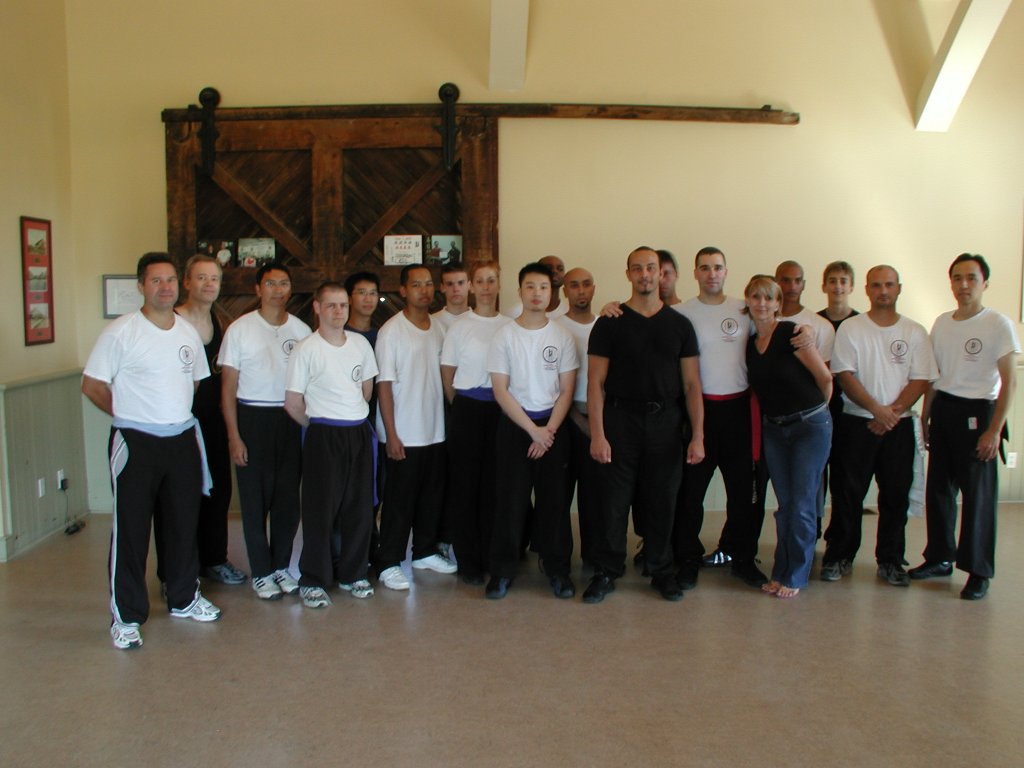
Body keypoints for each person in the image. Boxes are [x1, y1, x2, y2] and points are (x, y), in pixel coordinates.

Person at [82, 252, 221, 650]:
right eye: (156, 280)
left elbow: (195, 382)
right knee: (132, 530)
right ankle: (126, 616)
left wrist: (169, 415)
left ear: (179, 285)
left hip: (181, 440)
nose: (165, 287)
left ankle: (183, 597)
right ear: (141, 286)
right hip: (135, 441)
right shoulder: (121, 332)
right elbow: (92, 385)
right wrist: (130, 413)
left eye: (170, 280)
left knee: (182, 524)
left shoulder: (187, 333)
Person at [582, 246, 704, 603]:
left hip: (666, 422)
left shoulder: (680, 325)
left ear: (661, 273)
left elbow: (692, 385)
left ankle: (661, 569)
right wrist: (598, 434)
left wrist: (698, 436)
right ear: (628, 274)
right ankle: (607, 570)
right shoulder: (610, 323)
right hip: (620, 420)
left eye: (651, 268)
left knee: (662, 499)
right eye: (638, 268)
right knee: (614, 500)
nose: (645, 274)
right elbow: (595, 383)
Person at [910, 254, 1020, 600]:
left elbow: (1010, 381)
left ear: (984, 283)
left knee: (978, 496)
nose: (964, 285)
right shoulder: (943, 323)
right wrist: (925, 417)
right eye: (957, 278)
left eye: (971, 278)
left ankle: (978, 571)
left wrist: (994, 430)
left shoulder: (998, 324)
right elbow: (934, 375)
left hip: (979, 413)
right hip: (945, 410)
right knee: (939, 491)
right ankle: (940, 557)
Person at [823, 265, 937, 586]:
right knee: (848, 494)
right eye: (876, 285)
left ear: (899, 288)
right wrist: (876, 410)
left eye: (888, 285)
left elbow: (921, 379)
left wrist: (890, 414)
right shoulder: (851, 328)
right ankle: (840, 556)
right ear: (867, 290)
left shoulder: (914, 331)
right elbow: (845, 375)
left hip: (898, 427)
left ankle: (890, 560)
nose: (883, 291)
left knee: (895, 496)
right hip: (857, 425)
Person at [674, 247, 768, 589]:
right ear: (695, 273)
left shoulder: (744, 309)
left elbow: (770, 334)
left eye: (717, 267)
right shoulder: (682, 313)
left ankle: (741, 557)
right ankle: (687, 558)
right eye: (705, 267)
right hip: (700, 411)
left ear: (726, 271)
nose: (711, 273)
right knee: (690, 494)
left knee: (744, 494)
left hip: (739, 412)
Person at [485, 262, 578, 599]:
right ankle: (502, 571)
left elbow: (566, 390)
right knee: (510, 503)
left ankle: (558, 570)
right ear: (520, 291)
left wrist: (548, 431)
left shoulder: (562, 336)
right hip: (516, 427)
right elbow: (500, 391)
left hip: (553, 427)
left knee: (555, 503)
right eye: (530, 287)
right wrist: (533, 431)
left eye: (543, 287)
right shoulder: (505, 335)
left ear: (551, 293)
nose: (537, 293)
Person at [219, 262, 311, 600]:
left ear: (290, 289)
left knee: (287, 500)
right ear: (258, 289)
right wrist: (234, 436)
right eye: (270, 283)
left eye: (283, 283)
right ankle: (261, 571)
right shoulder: (240, 329)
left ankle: (281, 566)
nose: (277, 290)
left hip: (291, 418)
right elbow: (227, 388)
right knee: (254, 501)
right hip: (252, 418)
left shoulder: (301, 330)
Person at [284, 282, 379, 608]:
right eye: (331, 305)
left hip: (358, 433)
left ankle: (354, 573)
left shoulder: (361, 345)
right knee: (320, 510)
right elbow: (293, 402)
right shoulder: (306, 349)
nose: (339, 311)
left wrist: (349, 419)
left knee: (359, 509)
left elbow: (366, 391)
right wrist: (320, 426)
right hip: (323, 434)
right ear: (317, 308)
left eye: (343, 305)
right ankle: (313, 579)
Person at [744, 276, 833, 598]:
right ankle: (780, 571)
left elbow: (825, 378)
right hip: (775, 430)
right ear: (748, 300)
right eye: (756, 297)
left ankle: (795, 575)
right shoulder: (750, 344)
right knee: (785, 505)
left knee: (802, 504)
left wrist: (816, 414)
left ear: (778, 304)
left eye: (769, 298)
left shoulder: (792, 333)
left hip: (809, 427)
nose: (762, 303)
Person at [375, 264, 456, 590]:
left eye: (428, 284)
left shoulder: (439, 328)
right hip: (403, 433)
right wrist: (392, 434)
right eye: (416, 285)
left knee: (431, 497)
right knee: (399, 502)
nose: (424, 290)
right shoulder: (391, 331)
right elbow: (384, 385)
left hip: (435, 429)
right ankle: (388, 562)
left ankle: (424, 552)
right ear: (403, 290)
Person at [174, 254, 246, 586]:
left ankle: (215, 559)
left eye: (214, 278)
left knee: (218, 492)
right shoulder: (172, 322)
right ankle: (179, 570)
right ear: (186, 282)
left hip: (214, 422)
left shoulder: (220, 324)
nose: (208, 284)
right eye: (201, 277)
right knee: (181, 497)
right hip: (178, 423)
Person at [439, 260, 509, 584]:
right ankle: (468, 561)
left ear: (499, 285)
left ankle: (494, 557)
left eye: (491, 280)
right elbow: (448, 373)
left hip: (501, 410)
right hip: (467, 408)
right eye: (479, 280)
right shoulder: (460, 326)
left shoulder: (509, 325)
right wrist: (460, 407)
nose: (485, 286)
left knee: (496, 487)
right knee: (465, 486)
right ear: (471, 286)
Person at [556, 267, 600, 569]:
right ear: (565, 291)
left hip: (597, 419)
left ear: (593, 288)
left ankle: (594, 558)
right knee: (558, 494)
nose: (581, 290)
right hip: (563, 419)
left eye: (586, 284)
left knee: (594, 496)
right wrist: (575, 417)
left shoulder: (605, 325)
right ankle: (557, 560)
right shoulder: (555, 328)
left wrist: (595, 423)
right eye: (574, 285)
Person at [816, 261, 859, 542]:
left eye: (843, 281)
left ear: (851, 286)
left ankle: (840, 540)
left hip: (850, 412)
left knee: (845, 479)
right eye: (833, 281)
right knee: (816, 477)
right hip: (819, 409)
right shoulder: (815, 323)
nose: (838, 286)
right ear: (824, 286)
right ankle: (813, 531)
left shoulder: (861, 324)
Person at [503, 255, 569, 318]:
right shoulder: (515, 313)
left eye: (560, 269)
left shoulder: (568, 309)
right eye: (548, 268)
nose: (555, 271)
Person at [432, 264, 471, 332]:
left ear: (469, 285)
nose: (456, 289)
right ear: (442, 287)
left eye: (460, 283)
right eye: (450, 284)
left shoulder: (481, 321)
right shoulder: (432, 322)